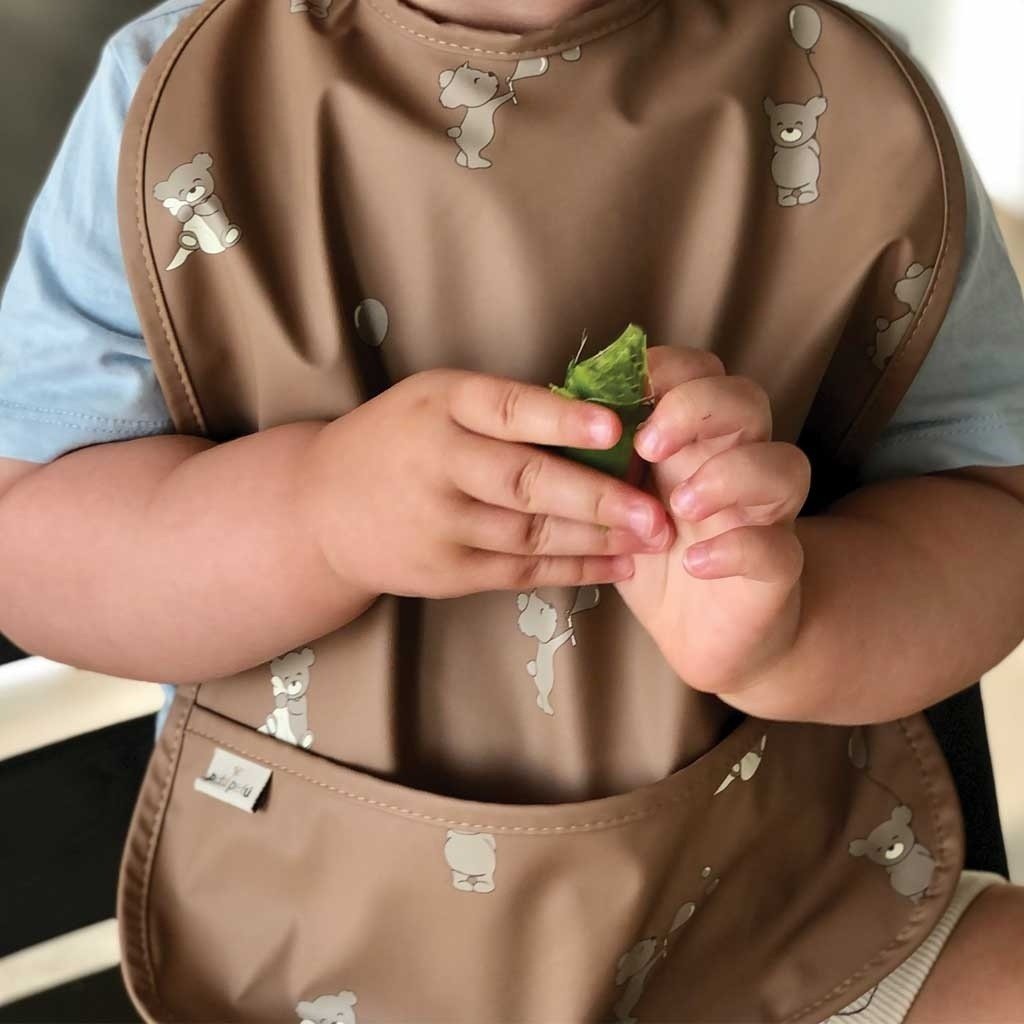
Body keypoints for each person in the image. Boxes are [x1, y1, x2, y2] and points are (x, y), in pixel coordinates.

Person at [1, 0, 1024, 1020]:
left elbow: (990, 511)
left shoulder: (854, 104)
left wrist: (793, 629)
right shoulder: (177, 98)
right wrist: (314, 516)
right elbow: (29, 539)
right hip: (318, 951)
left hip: (774, 911)